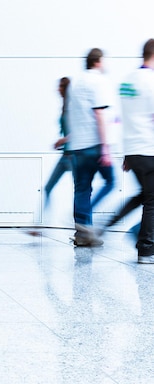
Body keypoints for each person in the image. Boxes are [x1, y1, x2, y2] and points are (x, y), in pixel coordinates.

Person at [67, 48, 115, 246]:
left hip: (77, 146)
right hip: (94, 145)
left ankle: (82, 234)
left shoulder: (76, 83)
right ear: (98, 61)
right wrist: (105, 148)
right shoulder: (98, 81)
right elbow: (99, 114)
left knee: (82, 189)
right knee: (110, 181)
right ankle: (86, 222)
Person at [119, 39, 154, 263]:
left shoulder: (128, 80)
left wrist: (127, 154)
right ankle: (146, 250)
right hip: (149, 149)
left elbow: (130, 117)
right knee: (151, 201)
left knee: (145, 197)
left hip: (133, 150)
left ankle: (134, 234)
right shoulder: (150, 80)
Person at [45, 77, 72, 200]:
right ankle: (46, 219)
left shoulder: (72, 108)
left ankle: (82, 218)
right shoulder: (64, 107)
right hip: (65, 155)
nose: (58, 89)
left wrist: (63, 140)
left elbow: (80, 132)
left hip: (75, 157)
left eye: (61, 87)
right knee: (47, 188)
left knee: (81, 190)